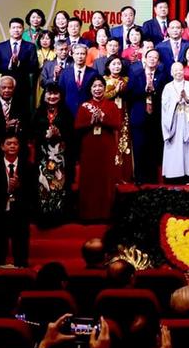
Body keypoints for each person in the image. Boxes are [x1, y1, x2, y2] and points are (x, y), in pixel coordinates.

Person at [75, 75, 129, 222]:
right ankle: (87, 214)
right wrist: (91, 121)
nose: (97, 89)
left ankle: (105, 214)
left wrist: (103, 119)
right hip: (89, 146)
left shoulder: (111, 105)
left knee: (105, 179)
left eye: (100, 86)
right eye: (94, 86)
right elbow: (77, 126)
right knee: (89, 179)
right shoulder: (84, 106)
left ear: (105, 88)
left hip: (106, 146)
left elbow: (117, 124)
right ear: (90, 89)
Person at [30, 87, 74, 227]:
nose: (52, 96)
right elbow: (31, 132)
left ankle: (58, 216)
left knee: (59, 185)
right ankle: (44, 216)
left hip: (60, 158)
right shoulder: (38, 113)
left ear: (60, 96)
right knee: (43, 185)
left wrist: (59, 134)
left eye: (55, 93)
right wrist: (45, 135)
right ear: (44, 96)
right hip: (43, 156)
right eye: (49, 93)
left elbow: (72, 134)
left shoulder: (67, 113)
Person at [161, 60, 189, 184]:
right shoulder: (168, 87)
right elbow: (164, 105)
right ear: (171, 72)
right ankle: (173, 176)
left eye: (180, 70)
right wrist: (175, 100)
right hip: (174, 122)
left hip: (187, 121)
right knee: (174, 148)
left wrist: (187, 99)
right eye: (175, 70)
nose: (178, 72)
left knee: (188, 148)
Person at [127, 50, 164, 185]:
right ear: (144, 59)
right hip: (139, 115)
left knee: (153, 147)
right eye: (150, 57)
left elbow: (164, 95)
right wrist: (144, 90)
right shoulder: (136, 74)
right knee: (139, 147)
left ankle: (152, 179)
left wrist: (154, 91)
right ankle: (139, 177)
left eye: (155, 58)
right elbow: (129, 94)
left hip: (155, 116)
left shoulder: (162, 75)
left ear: (158, 61)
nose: (152, 59)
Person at [0, 18, 39, 114]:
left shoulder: (30, 46)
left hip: (23, 86)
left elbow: (34, 67)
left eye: (19, 27)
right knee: (4, 114)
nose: (16, 30)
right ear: (9, 30)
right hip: (5, 86)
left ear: (23, 29)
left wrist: (19, 64)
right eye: (13, 28)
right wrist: (9, 65)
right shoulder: (1, 46)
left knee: (22, 114)